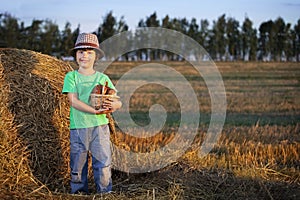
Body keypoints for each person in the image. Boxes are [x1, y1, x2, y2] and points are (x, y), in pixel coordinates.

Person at [62, 33, 122, 194]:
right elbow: (73, 100)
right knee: (77, 164)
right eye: (81, 52)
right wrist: (94, 110)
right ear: (75, 55)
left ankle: (104, 192)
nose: (85, 55)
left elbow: (117, 101)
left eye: (89, 52)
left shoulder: (103, 78)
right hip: (78, 127)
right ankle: (79, 193)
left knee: (103, 162)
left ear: (96, 57)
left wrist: (114, 105)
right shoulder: (71, 77)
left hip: (100, 127)